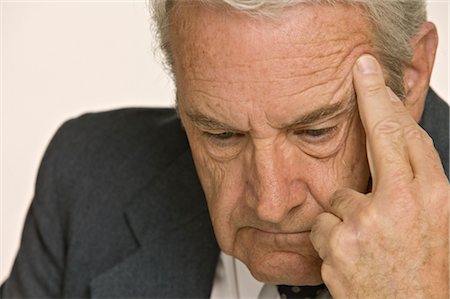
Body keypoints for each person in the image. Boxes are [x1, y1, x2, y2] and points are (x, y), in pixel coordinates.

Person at [1, 0, 448, 298]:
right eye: (222, 136)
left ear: (409, 75)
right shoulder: (87, 176)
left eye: (316, 132)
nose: (270, 204)